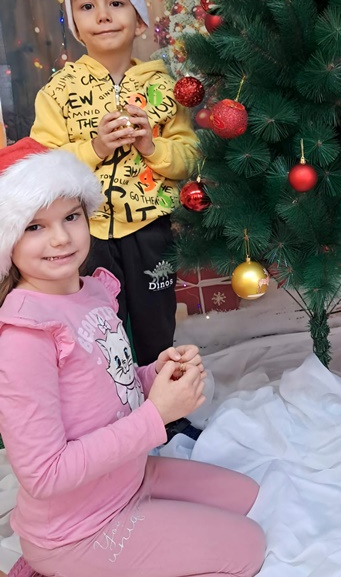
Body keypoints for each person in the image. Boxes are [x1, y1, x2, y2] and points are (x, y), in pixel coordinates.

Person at [0, 138, 265, 577]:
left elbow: (106, 384)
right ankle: (55, 566)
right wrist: (156, 416)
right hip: (78, 527)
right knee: (248, 548)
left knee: (248, 495)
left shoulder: (91, 291)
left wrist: (154, 375)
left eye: (71, 217)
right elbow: (44, 474)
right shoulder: (25, 337)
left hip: (127, 477)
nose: (61, 238)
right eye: (34, 227)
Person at [30, 0, 198, 366]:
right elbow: (42, 166)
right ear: (75, 23)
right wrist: (95, 148)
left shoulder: (165, 88)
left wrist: (151, 147)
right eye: (87, 6)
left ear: (139, 20)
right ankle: (110, 398)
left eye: (116, 3)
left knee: (156, 323)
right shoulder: (58, 92)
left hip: (149, 228)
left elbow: (188, 158)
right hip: (85, 234)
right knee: (98, 327)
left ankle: (163, 395)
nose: (103, 15)